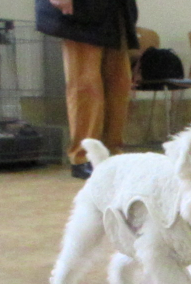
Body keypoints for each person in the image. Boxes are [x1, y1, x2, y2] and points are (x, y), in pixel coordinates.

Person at [35, 0, 139, 179]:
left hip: (115, 10)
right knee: (86, 85)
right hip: (80, 10)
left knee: (119, 84)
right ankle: (84, 156)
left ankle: (112, 154)